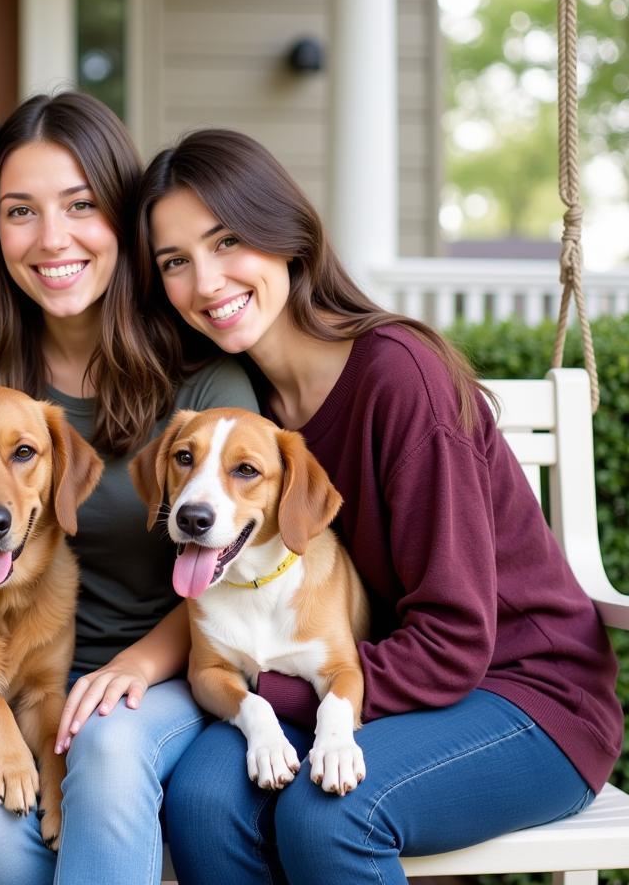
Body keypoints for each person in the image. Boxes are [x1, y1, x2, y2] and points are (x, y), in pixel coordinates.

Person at [134, 128, 622, 885]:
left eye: (227, 241)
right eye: (174, 262)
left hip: (526, 696)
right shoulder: (243, 409)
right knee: (200, 801)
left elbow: (458, 637)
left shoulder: (401, 380)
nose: (205, 282)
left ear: (286, 236)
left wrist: (285, 689)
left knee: (333, 813)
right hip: (373, 686)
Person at [0, 92, 258, 885]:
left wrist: (134, 668)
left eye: (81, 206)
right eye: (19, 212)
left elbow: (242, 571)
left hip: (168, 672)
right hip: (11, 681)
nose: (52, 239)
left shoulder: (202, 378)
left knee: (106, 747)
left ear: (124, 219)